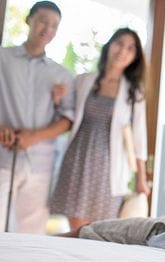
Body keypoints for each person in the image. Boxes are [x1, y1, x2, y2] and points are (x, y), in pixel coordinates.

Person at [0, 1, 74, 234]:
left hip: (40, 165)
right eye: (43, 21)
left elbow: (67, 119)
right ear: (29, 20)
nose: (48, 29)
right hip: (2, 157)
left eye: (54, 25)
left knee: (31, 236)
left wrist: (34, 136)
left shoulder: (62, 75)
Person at [50, 28, 148, 231]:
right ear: (109, 46)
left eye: (130, 48)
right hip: (77, 158)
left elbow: (139, 138)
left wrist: (141, 179)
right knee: (75, 227)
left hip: (108, 167)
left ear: (135, 57)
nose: (123, 51)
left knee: (99, 230)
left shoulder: (133, 92)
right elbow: (67, 116)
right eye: (119, 43)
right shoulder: (83, 81)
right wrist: (58, 100)